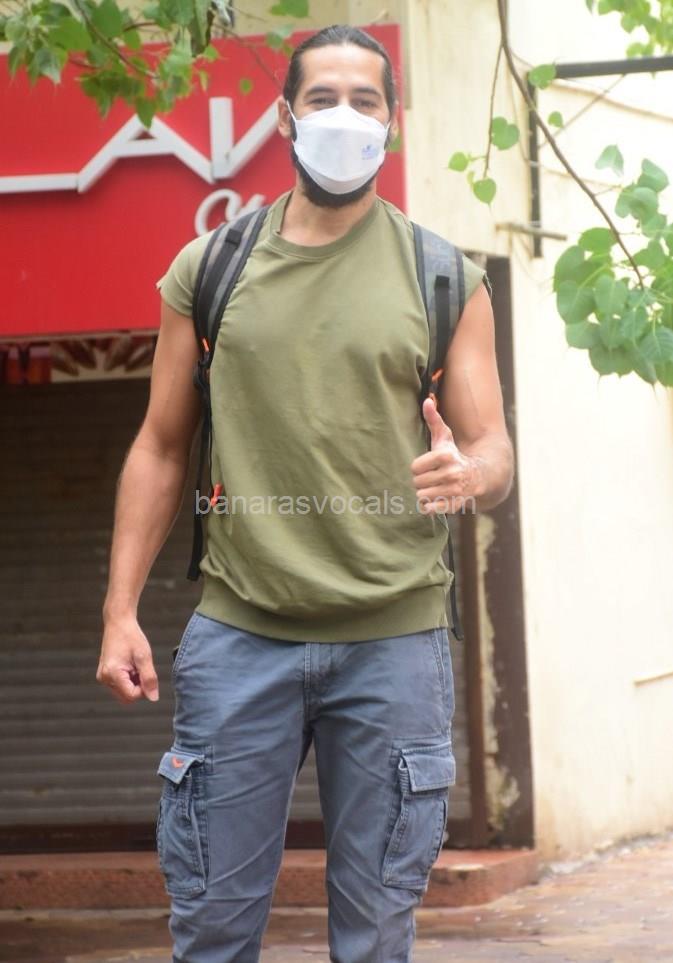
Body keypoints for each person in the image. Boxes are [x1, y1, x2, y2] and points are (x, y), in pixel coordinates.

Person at [97, 23, 514, 963]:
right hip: (240, 635)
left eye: (364, 100)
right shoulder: (211, 268)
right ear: (284, 117)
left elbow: (491, 448)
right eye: (321, 98)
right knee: (212, 926)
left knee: (375, 936)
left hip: (393, 642)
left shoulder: (443, 276)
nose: (343, 117)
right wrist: (120, 610)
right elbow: (160, 445)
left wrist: (470, 473)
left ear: (392, 121)